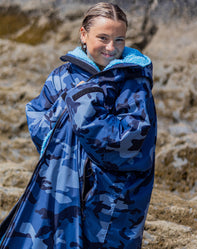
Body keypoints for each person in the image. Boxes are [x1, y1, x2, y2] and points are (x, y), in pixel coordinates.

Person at [0, 2, 157, 249]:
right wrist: (61, 123)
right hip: (61, 185)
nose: (111, 47)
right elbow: (37, 115)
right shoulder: (63, 75)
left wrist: (86, 115)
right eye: (103, 38)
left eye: (119, 39)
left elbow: (134, 140)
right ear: (83, 34)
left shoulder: (133, 83)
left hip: (111, 196)